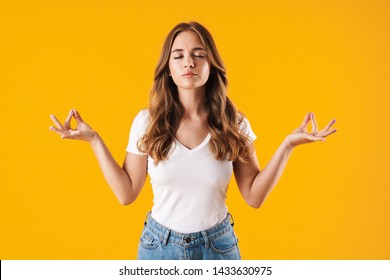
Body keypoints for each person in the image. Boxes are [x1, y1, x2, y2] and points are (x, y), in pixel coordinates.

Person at [49, 21, 337, 260]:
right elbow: (127, 193)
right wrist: (94, 140)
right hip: (158, 249)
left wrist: (288, 145)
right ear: (169, 68)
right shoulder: (147, 123)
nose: (189, 62)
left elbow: (254, 196)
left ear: (211, 64)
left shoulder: (233, 123)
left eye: (199, 54)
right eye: (179, 55)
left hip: (218, 248)